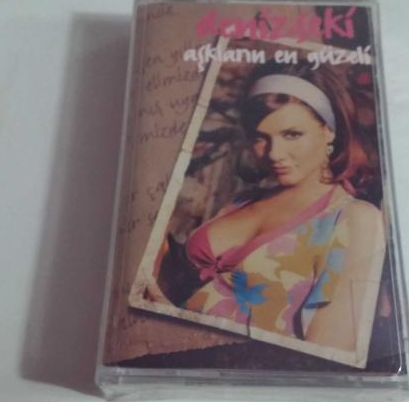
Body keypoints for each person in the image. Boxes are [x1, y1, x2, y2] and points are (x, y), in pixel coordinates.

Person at [165, 60, 386, 353]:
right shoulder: (243, 200)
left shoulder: (356, 220)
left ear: (328, 130)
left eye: (292, 134)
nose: (274, 154)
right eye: (261, 138)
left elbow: (329, 353)